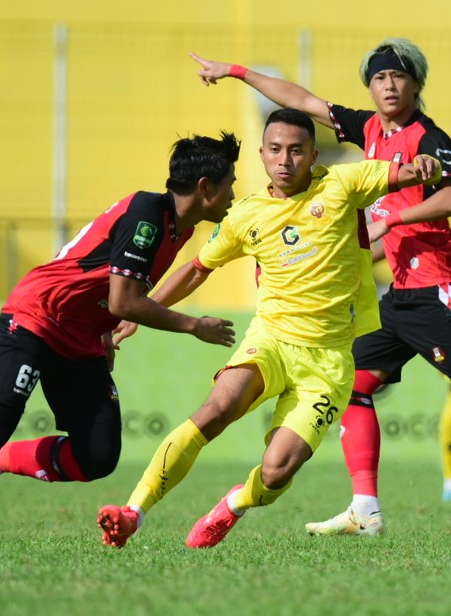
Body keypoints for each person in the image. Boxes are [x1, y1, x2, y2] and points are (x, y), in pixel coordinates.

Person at [96, 108, 441, 549]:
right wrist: (137, 311)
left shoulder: (343, 184)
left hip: (328, 360)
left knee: (277, 471)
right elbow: (198, 269)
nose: (285, 159)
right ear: (261, 154)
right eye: (275, 149)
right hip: (271, 340)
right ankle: (133, 512)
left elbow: (404, 173)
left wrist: (424, 166)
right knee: (216, 410)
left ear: (314, 154)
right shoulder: (245, 215)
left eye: (296, 150)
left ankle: (234, 504)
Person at [189, 37, 451, 534]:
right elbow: (302, 100)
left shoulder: (429, 139)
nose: (388, 85)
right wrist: (236, 70)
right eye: (379, 77)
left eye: (399, 76)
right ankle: (365, 509)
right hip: (399, 296)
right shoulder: (368, 128)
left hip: (439, 289)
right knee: (357, 383)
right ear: (370, 87)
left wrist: (392, 222)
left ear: (417, 83)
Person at [0, 132, 241, 529]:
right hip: (37, 319)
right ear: (206, 187)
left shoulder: (181, 229)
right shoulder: (147, 215)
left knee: (98, 456)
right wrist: (194, 325)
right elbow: (123, 301)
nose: (233, 194)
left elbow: (102, 279)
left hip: (80, 337)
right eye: (230, 184)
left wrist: (101, 331)